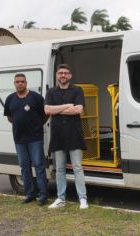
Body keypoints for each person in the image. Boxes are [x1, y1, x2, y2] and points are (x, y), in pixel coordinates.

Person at [44, 64, 88, 209]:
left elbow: (78, 110)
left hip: (74, 134)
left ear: (70, 76)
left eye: (66, 73)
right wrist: (66, 106)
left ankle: (83, 199)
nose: (63, 75)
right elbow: (47, 110)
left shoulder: (77, 90)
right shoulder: (51, 92)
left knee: (77, 167)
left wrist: (57, 110)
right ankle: (60, 199)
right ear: (57, 75)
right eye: (60, 73)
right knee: (60, 169)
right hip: (57, 135)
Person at [4, 73, 48, 206]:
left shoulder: (36, 97)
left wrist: (37, 125)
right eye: (17, 82)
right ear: (14, 83)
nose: (20, 83)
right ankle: (30, 194)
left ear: (26, 83)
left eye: (22, 81)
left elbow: (46, 114)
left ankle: (43, 195)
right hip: (19, 139)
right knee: (24, 167)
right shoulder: (10, 99)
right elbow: (10, 117)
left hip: (35, 138)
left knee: (39, 165)